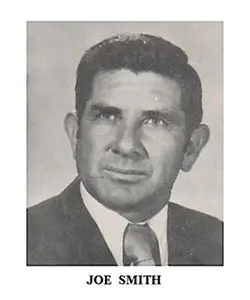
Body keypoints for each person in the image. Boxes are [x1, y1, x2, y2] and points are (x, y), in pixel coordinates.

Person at [27, 33, 223, 266]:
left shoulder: (224, 246)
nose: (127, 145)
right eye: (108, 116)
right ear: (74, 134)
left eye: (155, 122)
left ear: (191, 147)